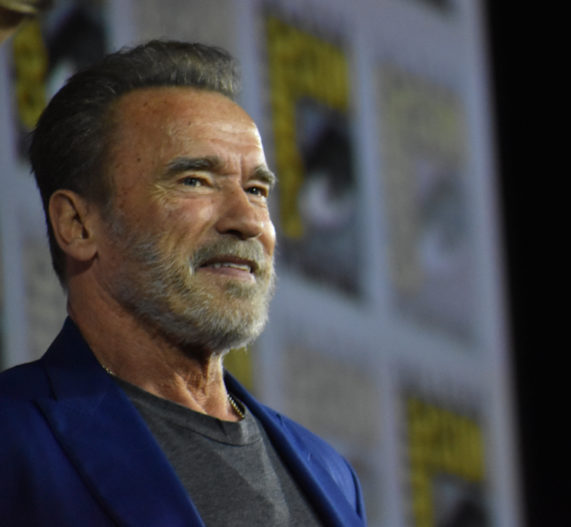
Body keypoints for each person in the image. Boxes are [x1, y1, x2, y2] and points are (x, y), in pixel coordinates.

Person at [0, 40, 366, 526]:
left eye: (256, 189)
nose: (247, 221)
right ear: (78, 225)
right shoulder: (12, 438)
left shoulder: (332, 474)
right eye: (194, 180)